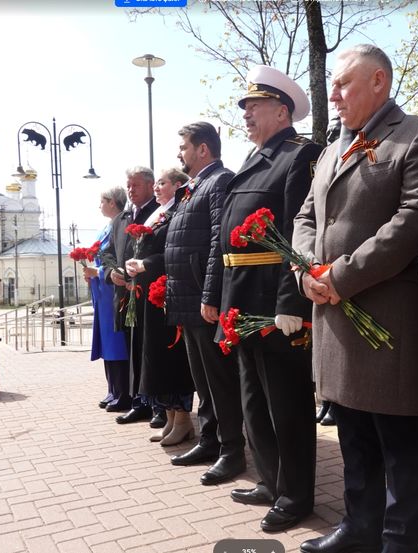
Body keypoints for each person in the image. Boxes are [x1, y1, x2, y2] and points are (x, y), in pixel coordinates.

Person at [293, 44, 418, 553]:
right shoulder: (328, 149)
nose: (332, 96)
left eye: (343, 84)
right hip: (334, 313)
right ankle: (358, 528)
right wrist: (306, 273)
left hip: (384, 318)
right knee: (353, 432)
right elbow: (303, 219)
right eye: (332, 86)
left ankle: (400, 540)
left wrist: (341, 275)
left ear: (379, 81)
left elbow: (415, 218)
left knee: (398, 440)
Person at [219, 64, 322, 533]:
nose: (245, 115)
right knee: (254, 400)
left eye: (253, 107)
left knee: (288, 404)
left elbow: (299, 234)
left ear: (282, 112)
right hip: (241, 299)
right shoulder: (253, 159)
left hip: (275, 301)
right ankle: (269, 480)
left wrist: (291, 304)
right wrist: (218, 300)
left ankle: (296, 494)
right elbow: (227, 241)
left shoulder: (301, 156)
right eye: (244, 108)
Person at [164, 121, 246, 486]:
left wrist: (210, 294)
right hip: (187, 299)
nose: (178, 153)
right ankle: (210, 440)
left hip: (202, 300)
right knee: (203, 381)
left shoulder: (220, 181)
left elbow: (219, 240)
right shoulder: (193, 187)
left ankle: (232, 451)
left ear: (203, 149)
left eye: (183, 146)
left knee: (220, 382)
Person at [125, 168, 196, 446]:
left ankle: (182, 419)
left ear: (177, 186)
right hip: (150, 293)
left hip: (168, 292)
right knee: (154, 356)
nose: (156, 187)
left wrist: (147, 264)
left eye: (162, 183)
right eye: (155, 183)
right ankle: (169, 416)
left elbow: (173, 250)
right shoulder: (160, 212)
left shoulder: (178, 211)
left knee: (170, 357)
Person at [101, 167, 159, 426]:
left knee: (150, 351)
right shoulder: (120, 219)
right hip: (124, 297)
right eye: (128, 185)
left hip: (150, 295)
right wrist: (112, 272)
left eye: (135, 185)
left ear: (150, 185)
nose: (130, 190)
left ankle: (158, 404)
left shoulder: (159, 213)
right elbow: (108, 254)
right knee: (132, 350)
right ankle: (139, 402)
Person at [86, 187, 132, 413]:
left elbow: (117, 258)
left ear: (113, 202)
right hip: (102, 292)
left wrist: (97, 271)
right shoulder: (106, 227)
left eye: (102, 201)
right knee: (107, 343)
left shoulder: (120, 225)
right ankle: (112, 389)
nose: (100, 205)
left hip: (112, 290)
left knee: (116, 343)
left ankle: (123, 391)